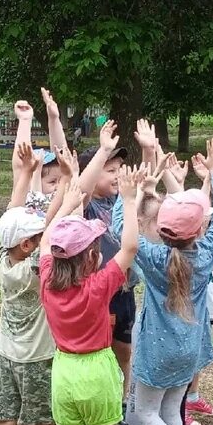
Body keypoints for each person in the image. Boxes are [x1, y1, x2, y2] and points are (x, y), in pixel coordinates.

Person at [112, 141, 213, 425]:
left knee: (146, 412)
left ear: (161, 228)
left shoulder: (155, 257)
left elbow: (120, 230)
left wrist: (130, 195)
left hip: (157, 351)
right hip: (190, 349)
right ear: (198, 230)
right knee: (170, 410)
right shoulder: (207, 253)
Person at [40, 167, 144, 425]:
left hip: (64, 372)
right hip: (98, 370)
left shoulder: (47, 278)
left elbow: (48, 239)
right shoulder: (99, 285)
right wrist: (130, 200)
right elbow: (130, 248)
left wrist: (68, 202)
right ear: (93, 259)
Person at [0, 143, 71, 425]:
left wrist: (24, 175)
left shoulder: (4, 259)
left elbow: (11, 213)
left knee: (5, 422)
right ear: (29, 244)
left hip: (6, 354)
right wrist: (68, 182)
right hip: (39, 358)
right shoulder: (35, 267)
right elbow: (52, 223)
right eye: (36, 237)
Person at [75, 120, 133, 408]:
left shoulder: (121, 201)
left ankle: (121, 403)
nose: (117, 175)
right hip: (99, 293)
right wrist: (102, 152)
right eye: (110, 170)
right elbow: (80, 190)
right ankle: (97, 403)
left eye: (119, 169)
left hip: (125, 291)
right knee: (100, 350)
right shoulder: (84, 206)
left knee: (125, 349)